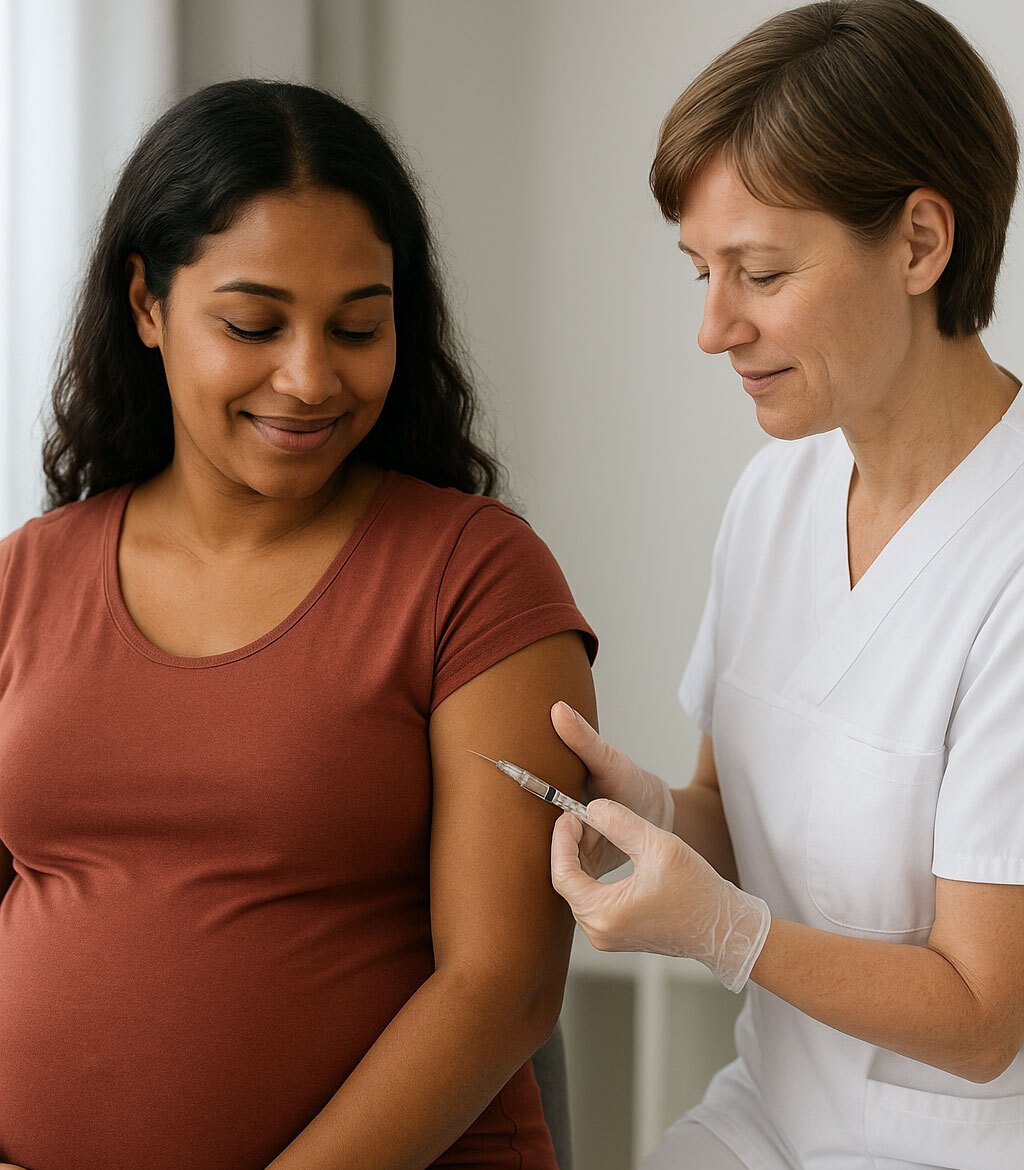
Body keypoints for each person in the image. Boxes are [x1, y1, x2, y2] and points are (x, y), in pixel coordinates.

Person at [0, 80, 597, 1170]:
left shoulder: (475, 575)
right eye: (252, 324)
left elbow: (502, 984)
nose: (311, 377)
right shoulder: (25, 578)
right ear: (146, 304)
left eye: (358, 327)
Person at [548, 2, 1024, 1167]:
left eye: (758, 271)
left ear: (918, 243)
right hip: (767, 1115)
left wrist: (719, 931)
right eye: (700, 272)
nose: (713, 328)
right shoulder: (775, 497)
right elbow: (741, 818)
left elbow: (980, 1017)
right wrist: (657, 817)